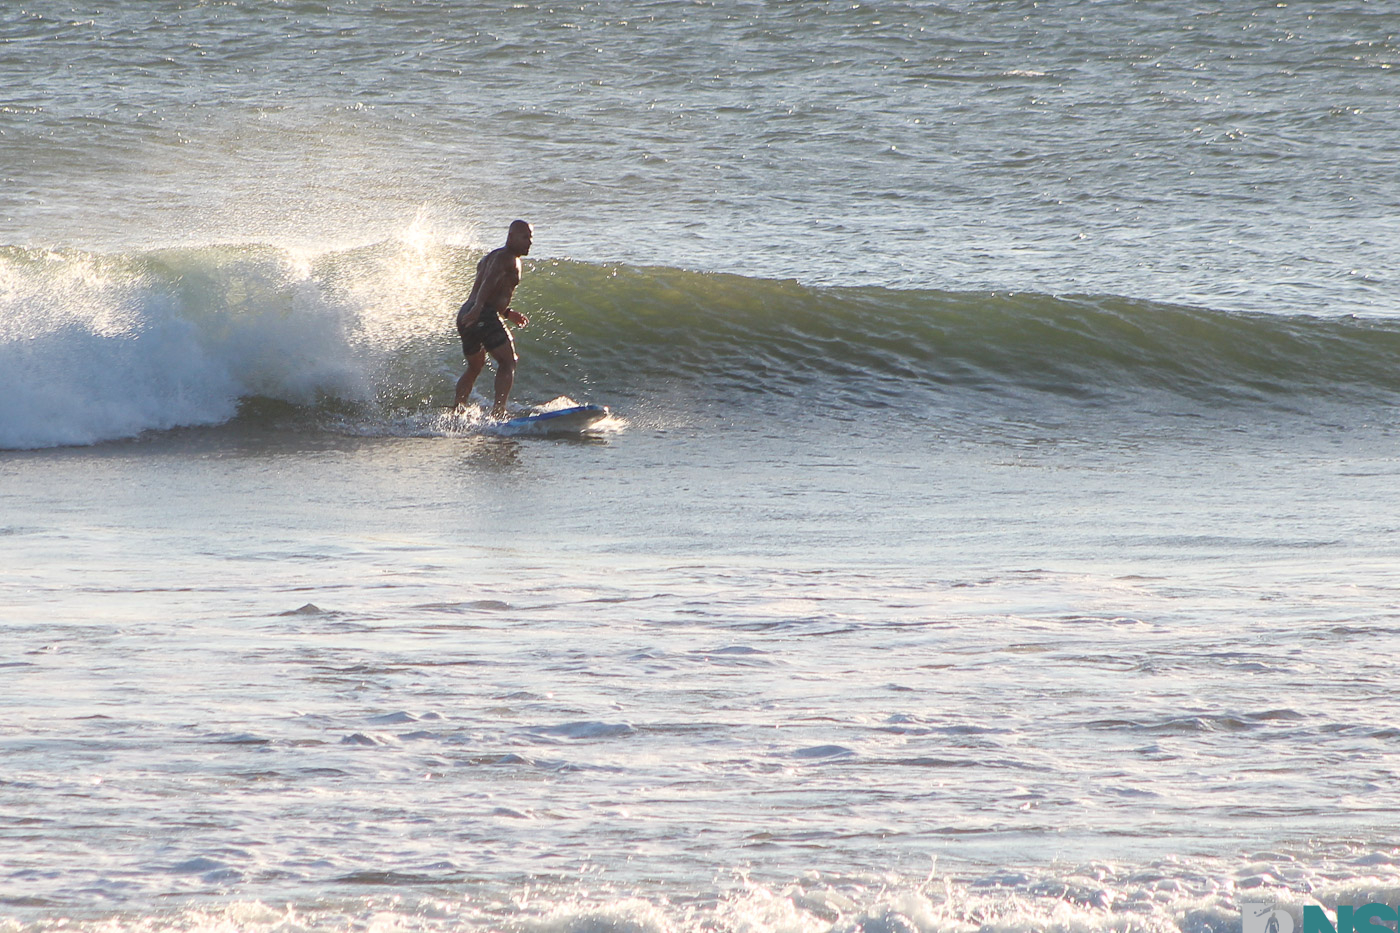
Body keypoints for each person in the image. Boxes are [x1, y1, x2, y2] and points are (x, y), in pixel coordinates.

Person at [454, 220, 533, 418]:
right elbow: (489, 282)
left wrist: (506, 313)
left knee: (475, 366)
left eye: (531, 238)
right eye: (525, 237)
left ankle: (457, 412)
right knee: (508, 362)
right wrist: (480, 307)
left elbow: (493, 288)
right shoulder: (507, 258)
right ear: (511, 237)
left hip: (466, 312)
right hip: (481, 313)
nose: (529, 242)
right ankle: (498, 414)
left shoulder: (491, 257)